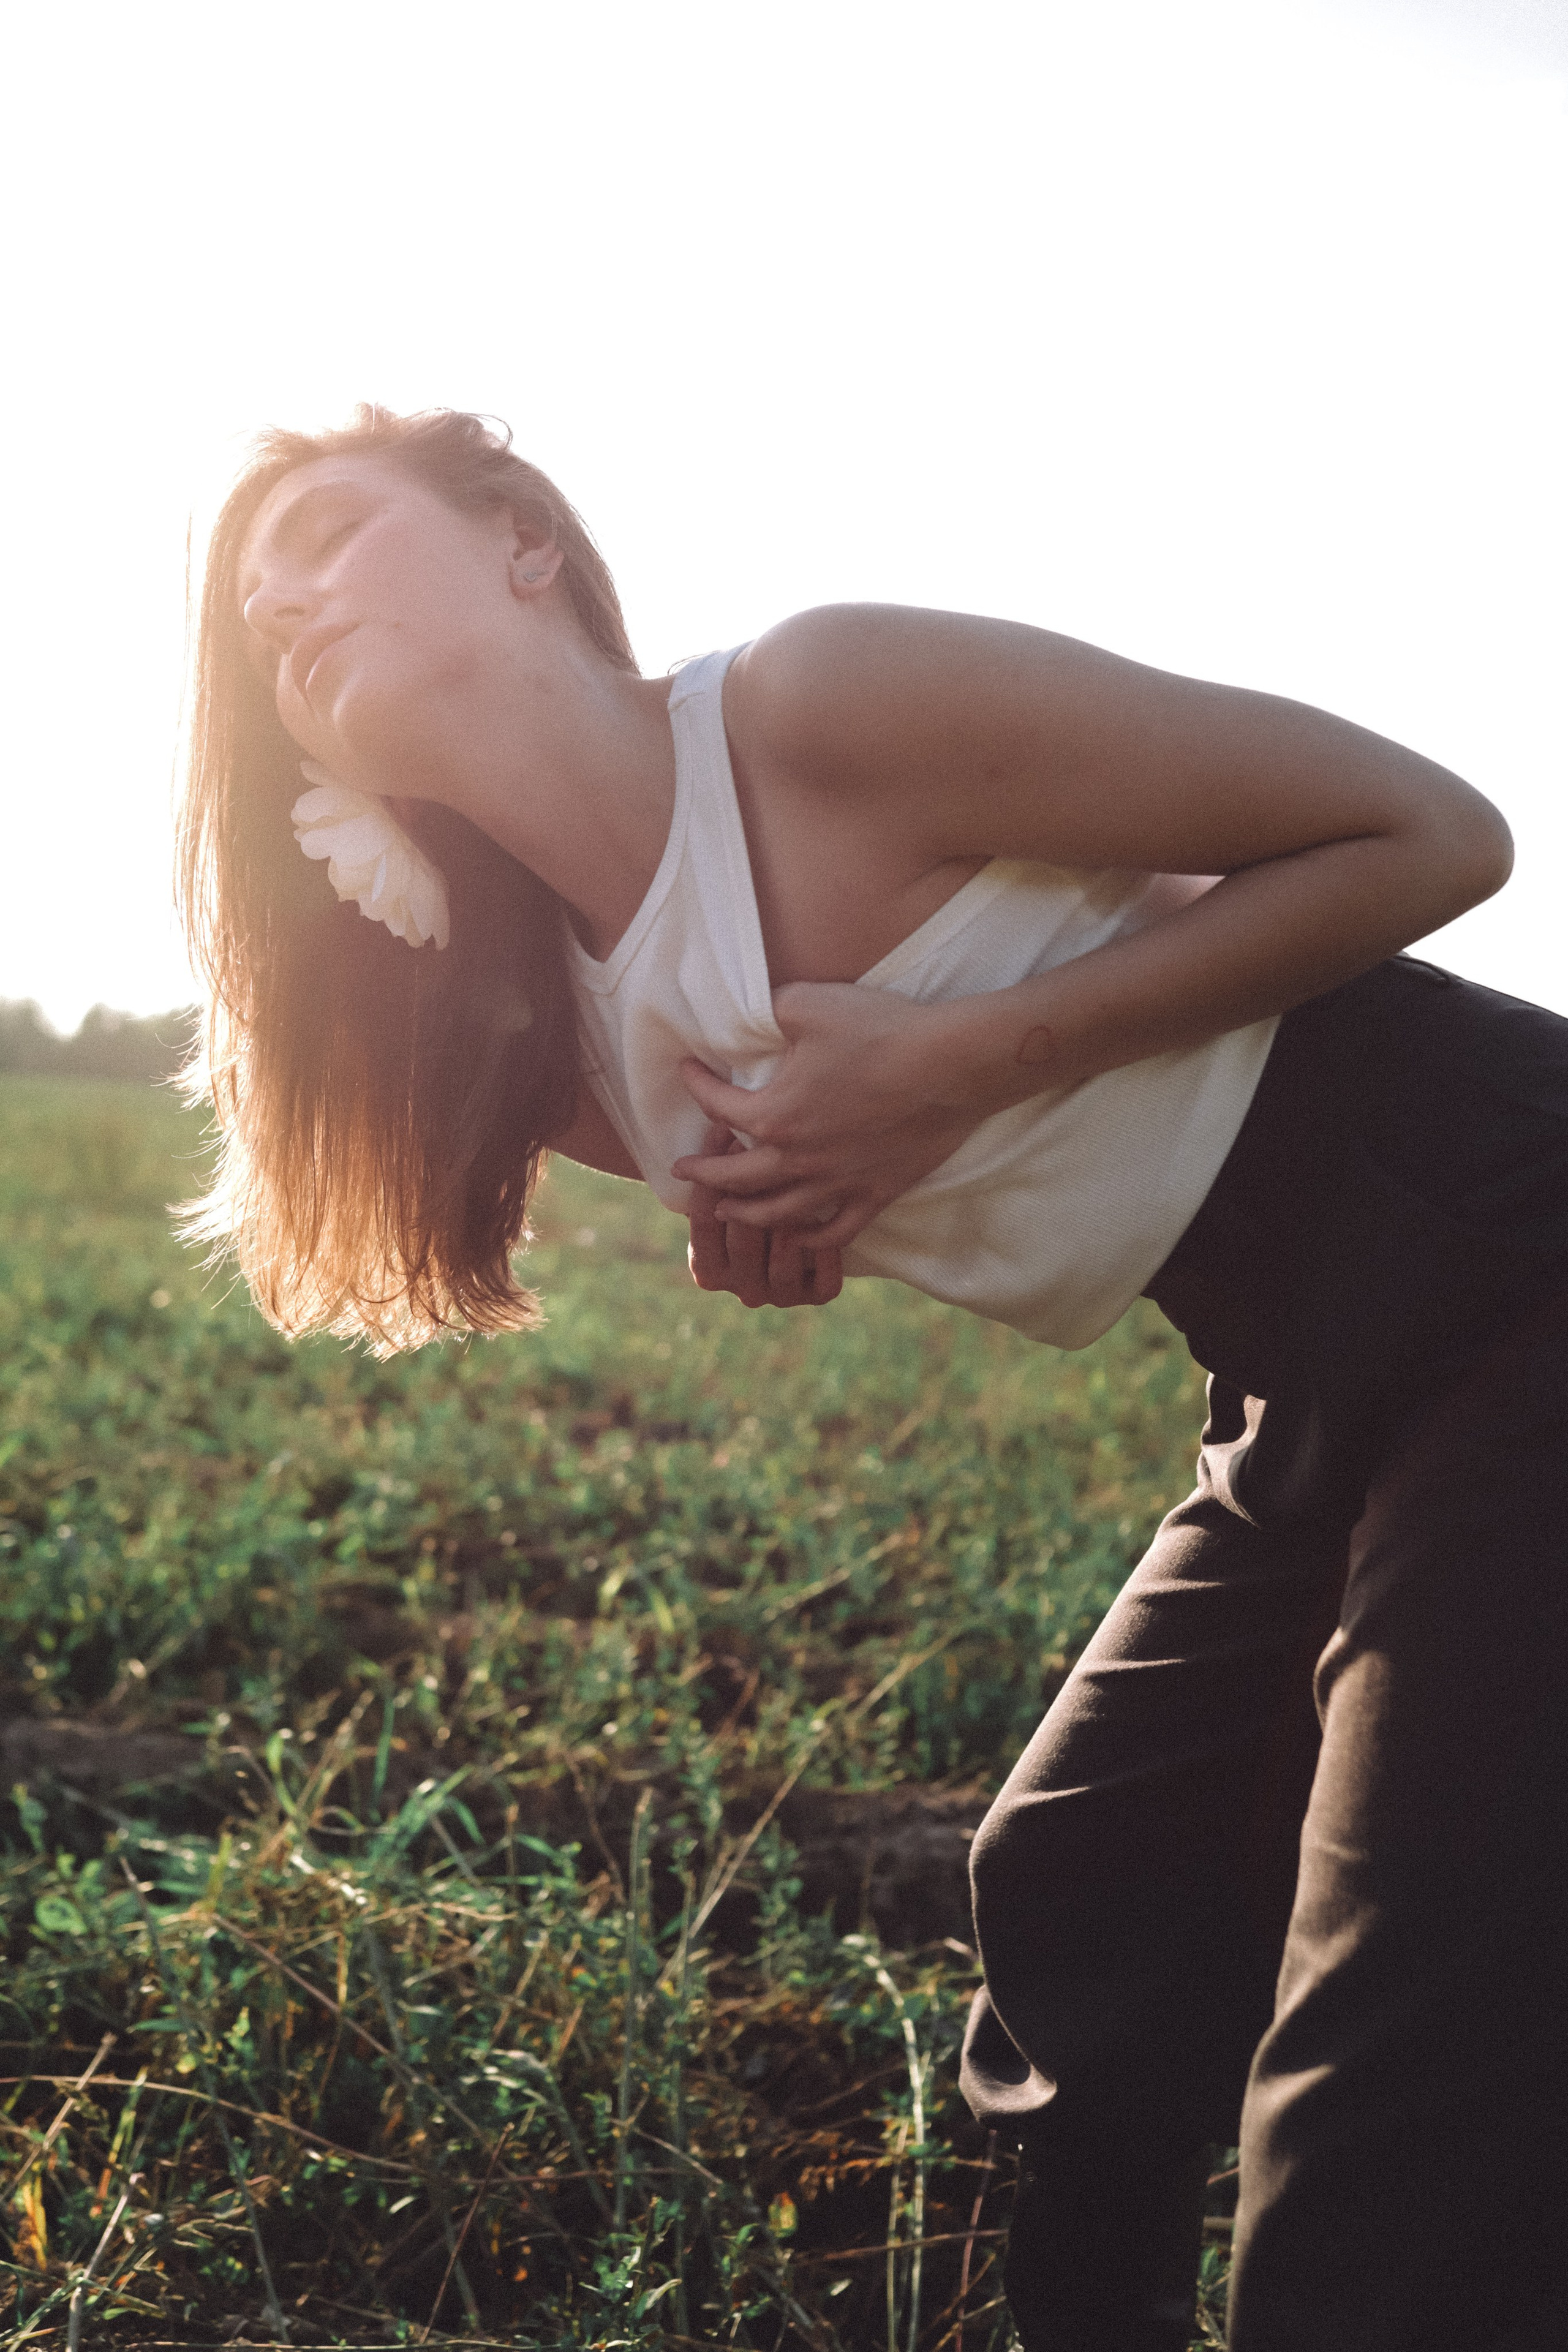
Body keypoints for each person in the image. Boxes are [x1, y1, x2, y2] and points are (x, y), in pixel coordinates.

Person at [180, 404, 1567, 2350]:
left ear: (519, 538)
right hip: (1300, 1378)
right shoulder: (574, 1050)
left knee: (1396, 2049)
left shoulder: (817, 709)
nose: (280, 604)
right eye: (251, 619)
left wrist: (952, 1066)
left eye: (322, 533)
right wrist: (797, 1231)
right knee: (1085, 1885)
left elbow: (1436, 831)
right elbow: (937, 1194)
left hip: (1520, 1247)